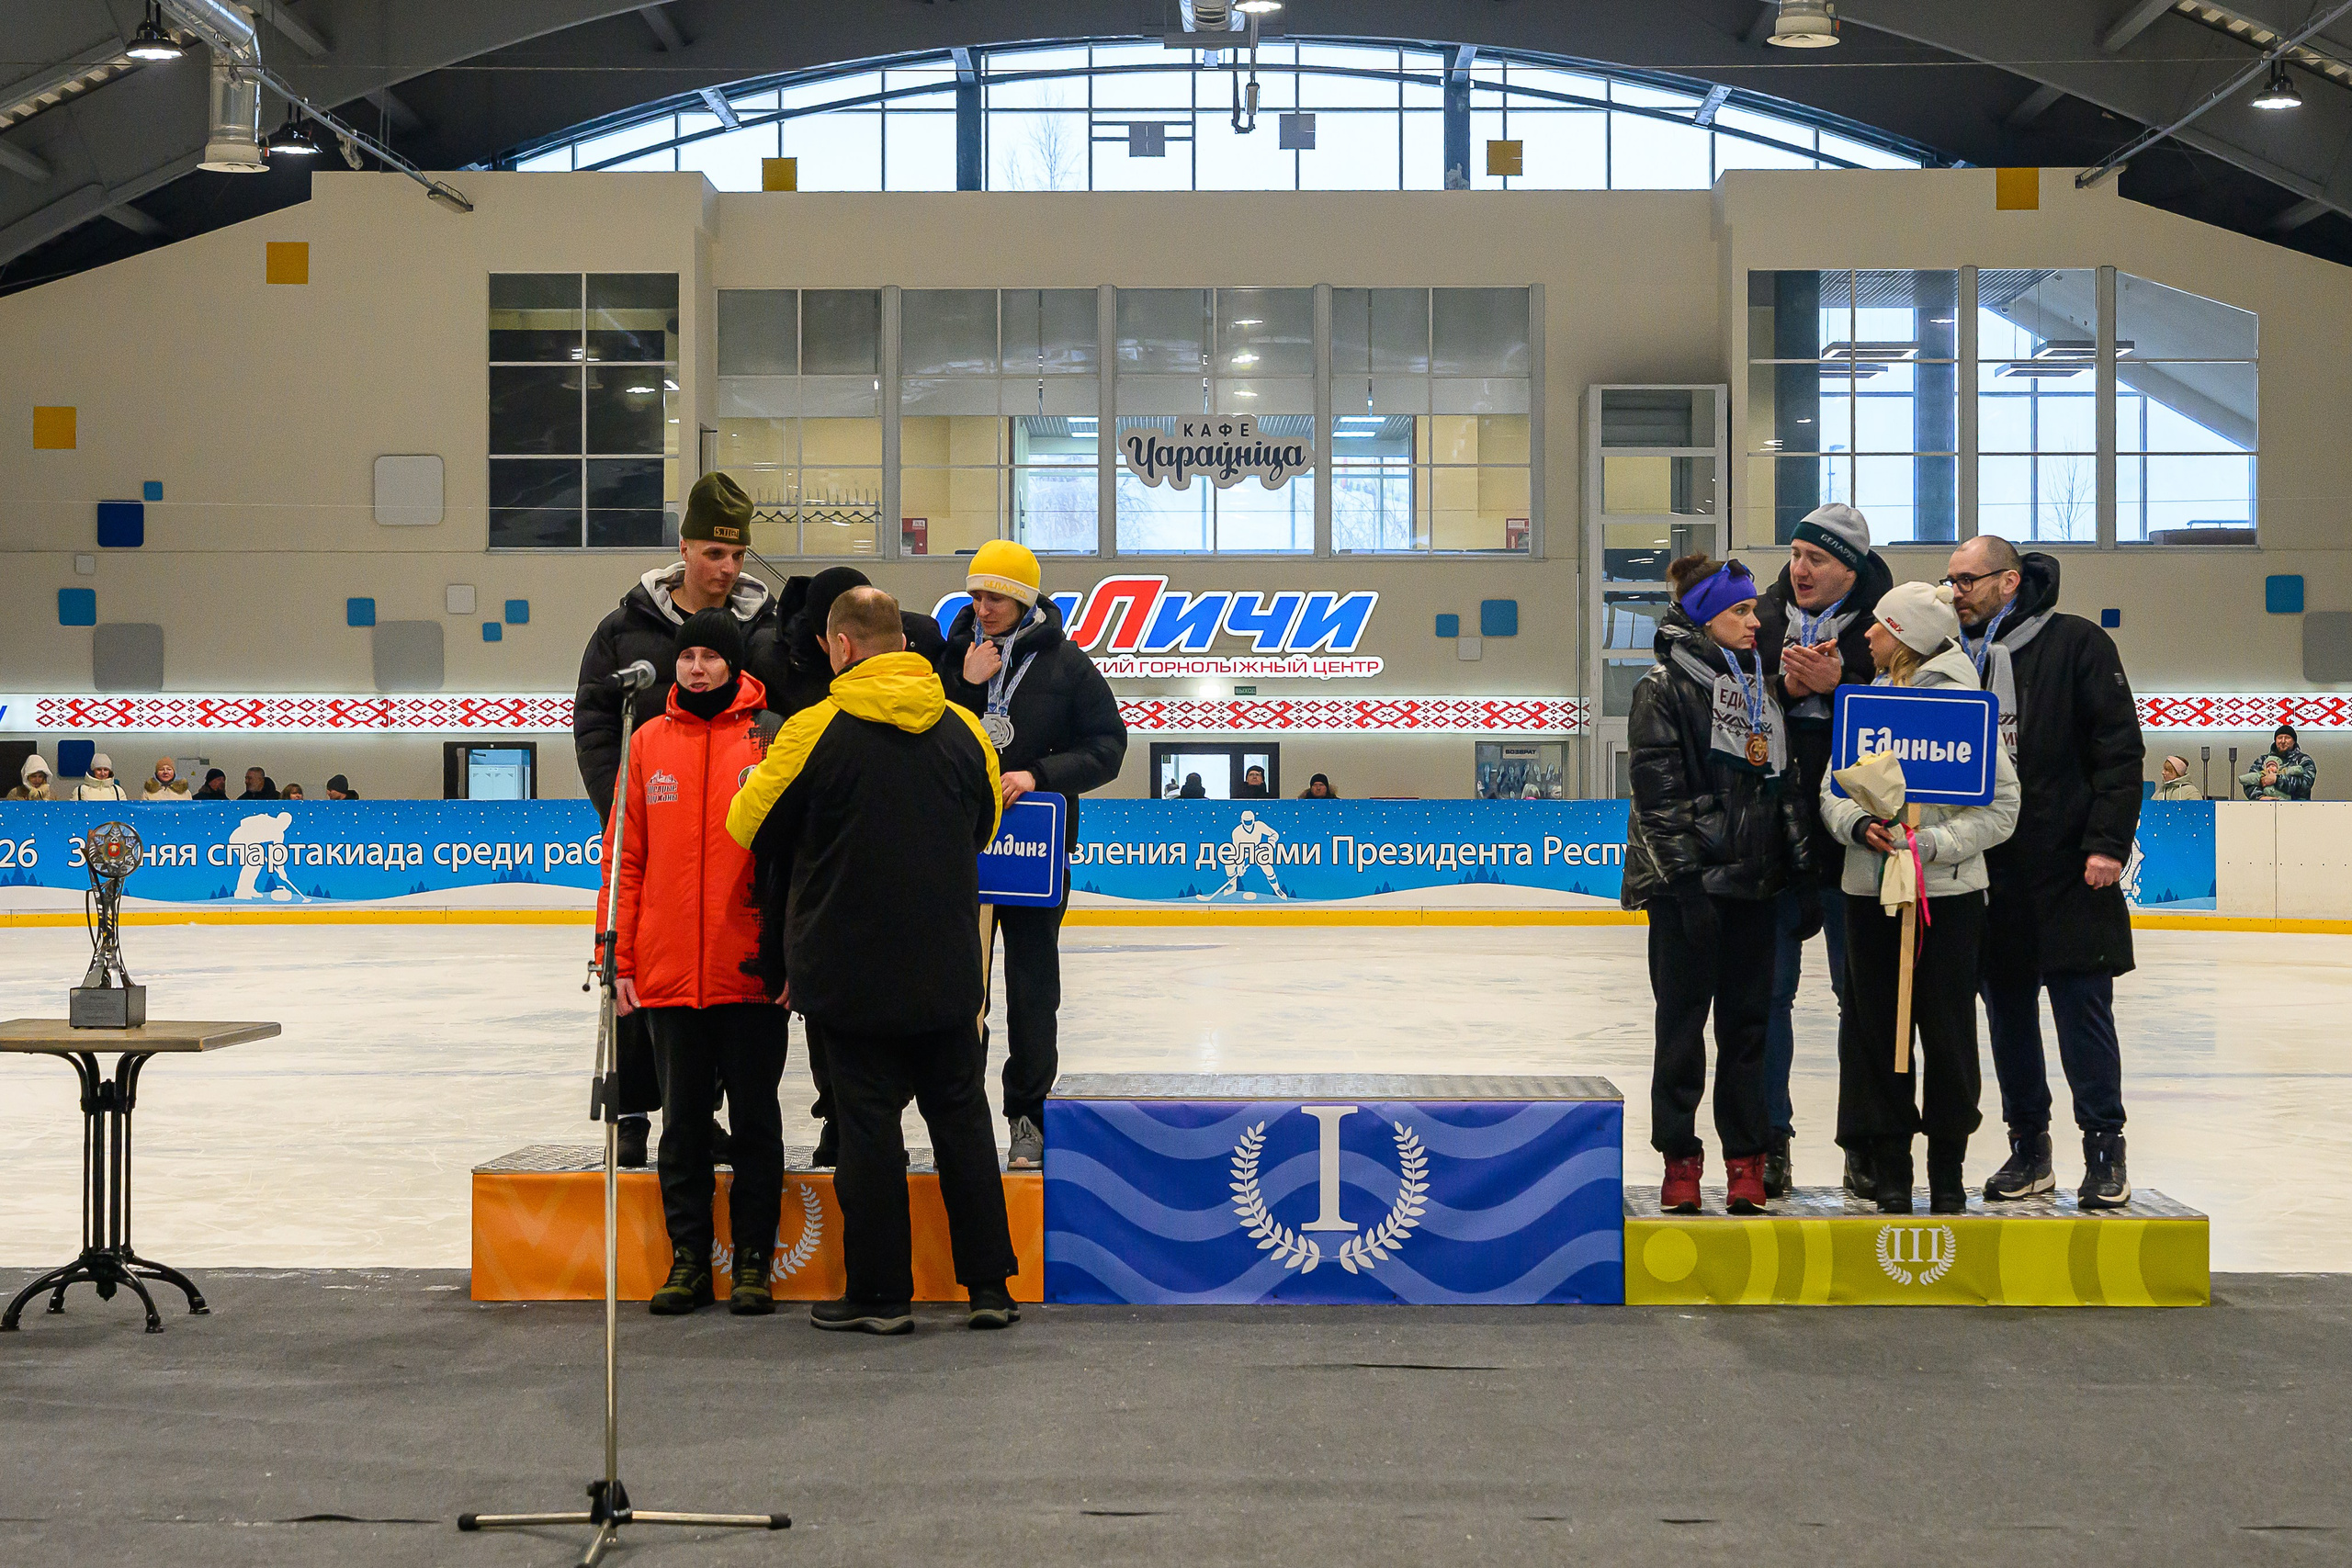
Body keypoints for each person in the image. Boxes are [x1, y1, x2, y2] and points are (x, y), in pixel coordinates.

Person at [729, 586, 1021, 1335]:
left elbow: (746, 823)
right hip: (947, 970)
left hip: (847, 973)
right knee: (962, 1120)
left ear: (841, 646)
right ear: (905, 644)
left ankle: (882, 1295)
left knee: (868, 1133)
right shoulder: (962, 730)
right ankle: (989, 1285)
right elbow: (984, 824)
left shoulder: (811, 728)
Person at [574, 471, 776, 1168]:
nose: (726, 569)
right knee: (639, 971)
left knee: (717, 987)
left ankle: (701, 1114)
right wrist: (625, 806)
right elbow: (596, 722)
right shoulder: (626, 628)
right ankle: (634, 1109)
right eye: (713, 554)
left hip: (733, 843)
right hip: (653, 824)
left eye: (738, 556)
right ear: (685, 547)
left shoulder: (762, 629)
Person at [1946, 535, 2143, 1208]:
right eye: (1950, 580)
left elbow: (2119, 750)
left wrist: (2107, 843)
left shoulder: (2077, 645)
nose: (1955, 592)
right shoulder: (1955, 658)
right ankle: (2030, 1146)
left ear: (2009, 582)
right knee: (2007, 1016)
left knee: (2082, 1012)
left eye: (1968, 579)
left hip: (2068, 868)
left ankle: (2104, 1147)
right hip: (1988, 871)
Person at [606, 608, 786, 1318]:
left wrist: (788, 955)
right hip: (668, 969)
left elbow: (793, 861)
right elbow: (626, 854)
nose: (697, 667)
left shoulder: (769, 738)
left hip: (748, 971)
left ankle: (752, 1261)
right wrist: (617, 950)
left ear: (736, 665)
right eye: (689, 656)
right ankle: (687, 1259)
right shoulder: (647, 741)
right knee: (680, 1123)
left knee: (755, 1122)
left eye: (712, 655)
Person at [1816, 582, 2018, 1215]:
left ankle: (1948, 1169)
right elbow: (1831, 790)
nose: (1867, 636)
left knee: (1948, 1029)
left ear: (1903, 637)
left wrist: (1933, 844)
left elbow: (2004, 806)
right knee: (1877, 1030)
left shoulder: (1967, 706)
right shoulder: (1867, 704)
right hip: (1869, 894)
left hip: (1949, 900)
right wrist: (1856, 824)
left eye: (1878, 626)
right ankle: (1890, 1165)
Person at [1622, 554, 1812, 1217]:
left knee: (1748, 1030)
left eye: (1755, 607)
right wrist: (1686, 887)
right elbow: (1660, 800)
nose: (1755, 619)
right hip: (1688, 895)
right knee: (1681, 1030)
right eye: (1739, 610)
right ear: (1705, 616)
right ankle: (1679, 1157)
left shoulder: (1759, 686)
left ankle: (1746, 1161)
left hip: (1755, 888)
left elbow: (1783, 789)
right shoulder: (1662, 688)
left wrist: (1801, 871)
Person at [940, 540, 1128, 1170]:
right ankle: (956, 1115)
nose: (981, 607)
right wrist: (964, 687)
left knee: (1030, 991)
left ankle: (1028, 1114)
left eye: (994, 596)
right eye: (975, 595)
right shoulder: (951, 656)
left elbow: (1108, 746)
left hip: (1034, 856)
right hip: (957, 853)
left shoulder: (1068, 666)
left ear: (1023, 599)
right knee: (957, 990)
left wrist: (1039, 774)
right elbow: (922, 732)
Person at [762, 564, 948, 1168]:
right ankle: (837, 1112)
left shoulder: (916, 645)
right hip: (815, 861)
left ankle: (872, 1111)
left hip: (884, 854)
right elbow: (757, 820)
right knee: (828, 1002)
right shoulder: (780, 665)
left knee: (880, 1004)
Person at [1753, 501, 1892, 1199]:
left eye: (1818, 559)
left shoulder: (1891, 631)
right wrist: (1782, 686)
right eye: (1797, 555)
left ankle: (1861, 1144)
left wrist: (1845, 690)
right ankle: (1769, 1141)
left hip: (1855, 839)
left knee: (1859, 999)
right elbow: (1727, 712)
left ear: (1851, 570)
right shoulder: (1760, 619)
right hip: (1776, 841)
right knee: (1768, 994)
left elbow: (1908, 728)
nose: (1800, 569)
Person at [2241, 726, 2315, 801]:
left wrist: (2277, 780)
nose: (2283, 741)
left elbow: (2306, 784)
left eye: (2287, 738)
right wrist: (2260, 797)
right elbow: (2249, 782)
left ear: (2294, 741)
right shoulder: (2263, 760)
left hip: (2297, 807)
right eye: (2280, 738)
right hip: (2264, 807)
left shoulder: (2304, 760)